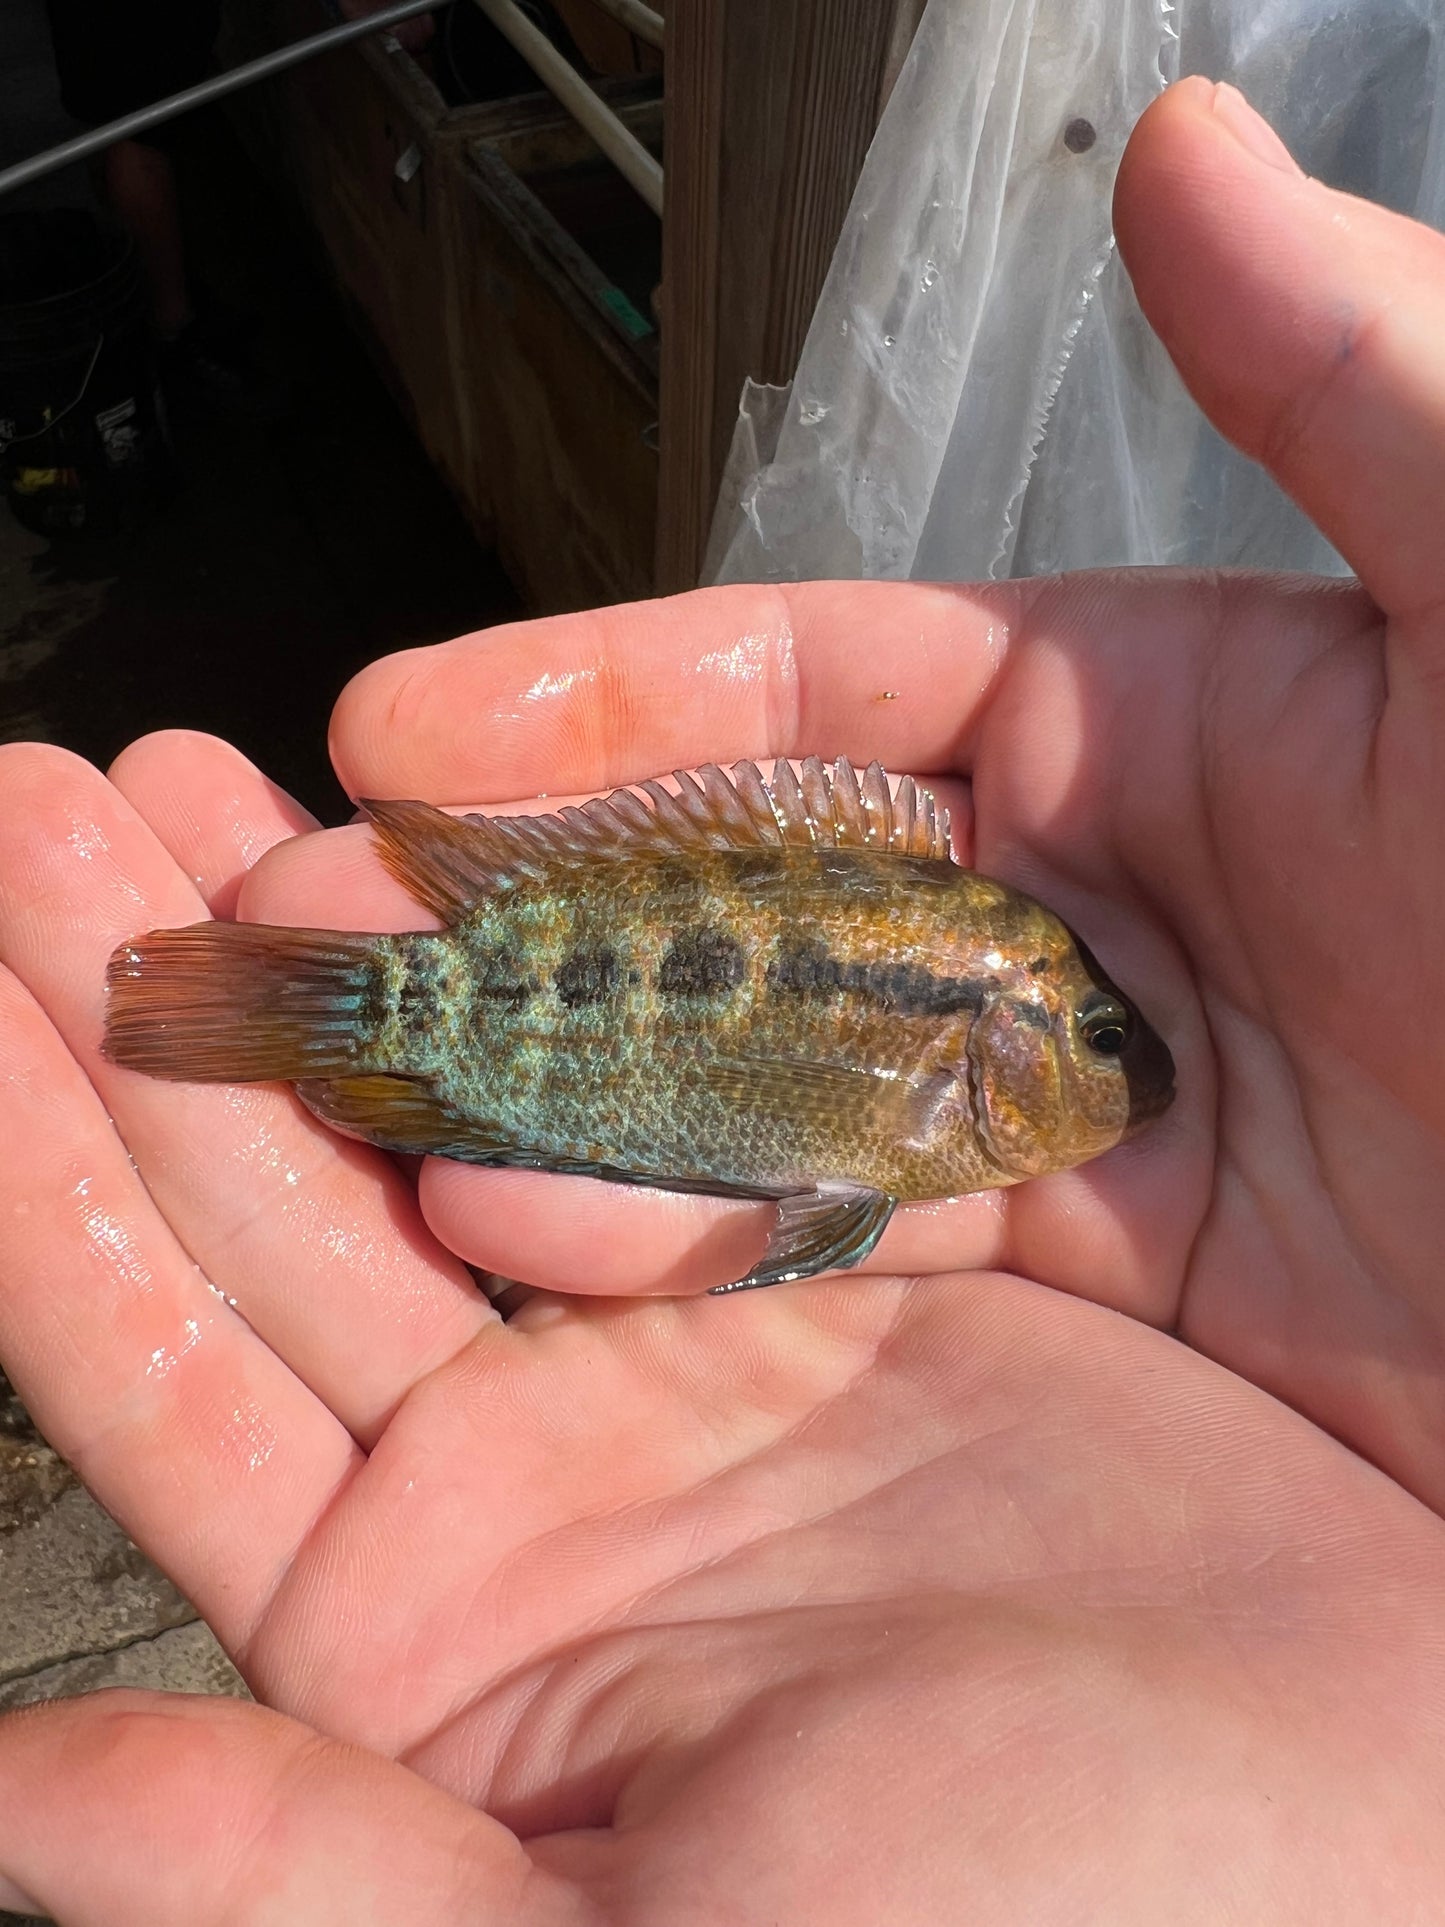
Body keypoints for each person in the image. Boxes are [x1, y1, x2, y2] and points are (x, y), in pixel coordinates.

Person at [0, 75, 1442, 1921]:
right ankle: (322, 1015)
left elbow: (810, 1194)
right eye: (1090, 1036)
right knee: (346, 993)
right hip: (542, 977)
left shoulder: (956, 1076)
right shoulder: (945, 1065)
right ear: (988, 1054)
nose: (1118, 1069)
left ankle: (345, 1025)